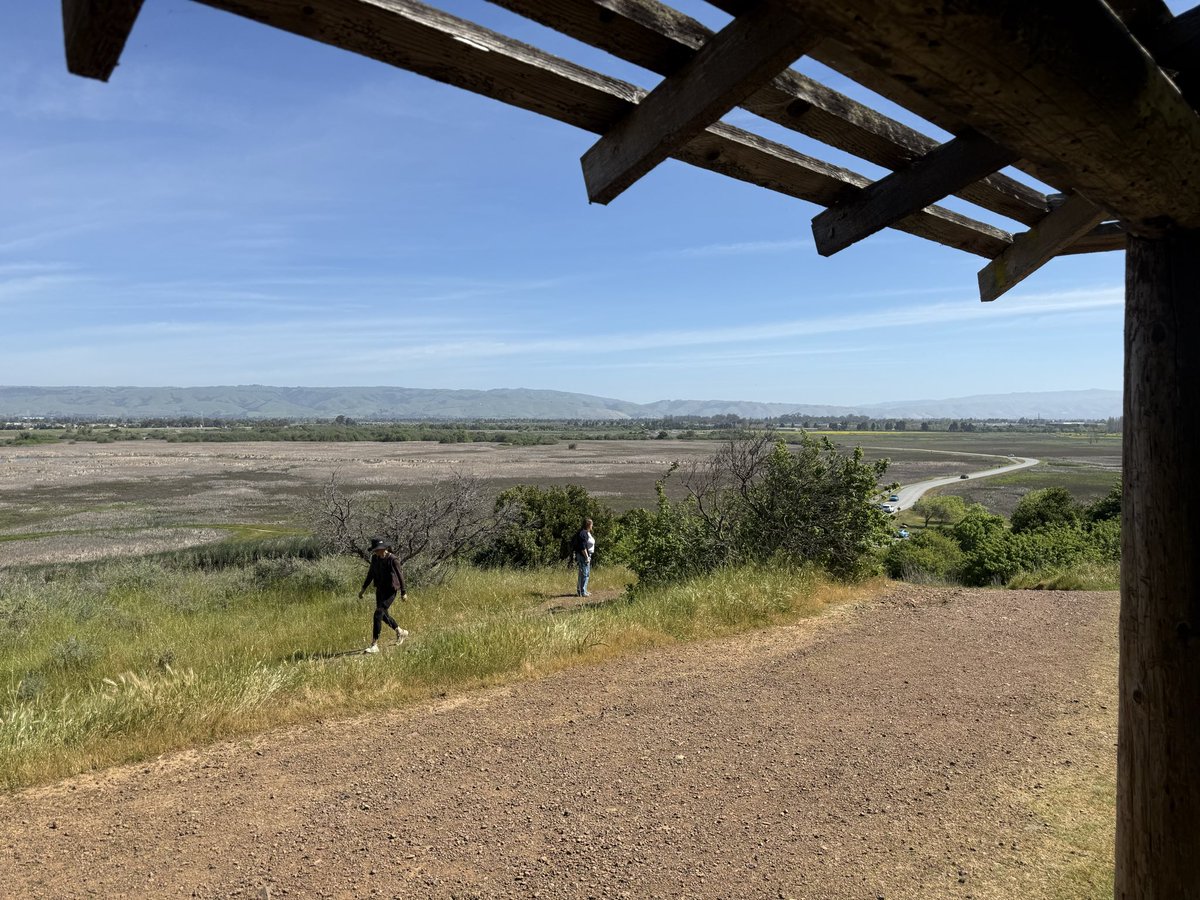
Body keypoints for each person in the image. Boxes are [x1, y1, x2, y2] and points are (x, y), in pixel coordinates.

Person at [358, 537, 408, 654]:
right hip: (380, 589)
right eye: (375, 550)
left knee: (377, 614)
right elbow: (370, 574)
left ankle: (374, 645)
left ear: (384, 548)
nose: (376, 552)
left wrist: (403, 592)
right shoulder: (375, 558)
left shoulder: (392, 559)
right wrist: (363, 589)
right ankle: (401, 632)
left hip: (390, 590)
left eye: (378, 549)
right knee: (383, 615)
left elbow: (400, 576)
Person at [573, 518, 595, 597]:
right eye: (592, 524)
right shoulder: (583, 533)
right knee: (584, 573)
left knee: (585, 573)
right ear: (589, 525)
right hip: (583, 555)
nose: (592, 526)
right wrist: (586, 557)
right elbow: (583, 547)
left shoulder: (586, 533)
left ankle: (583, 590)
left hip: (586, 555)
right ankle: (582, 591)